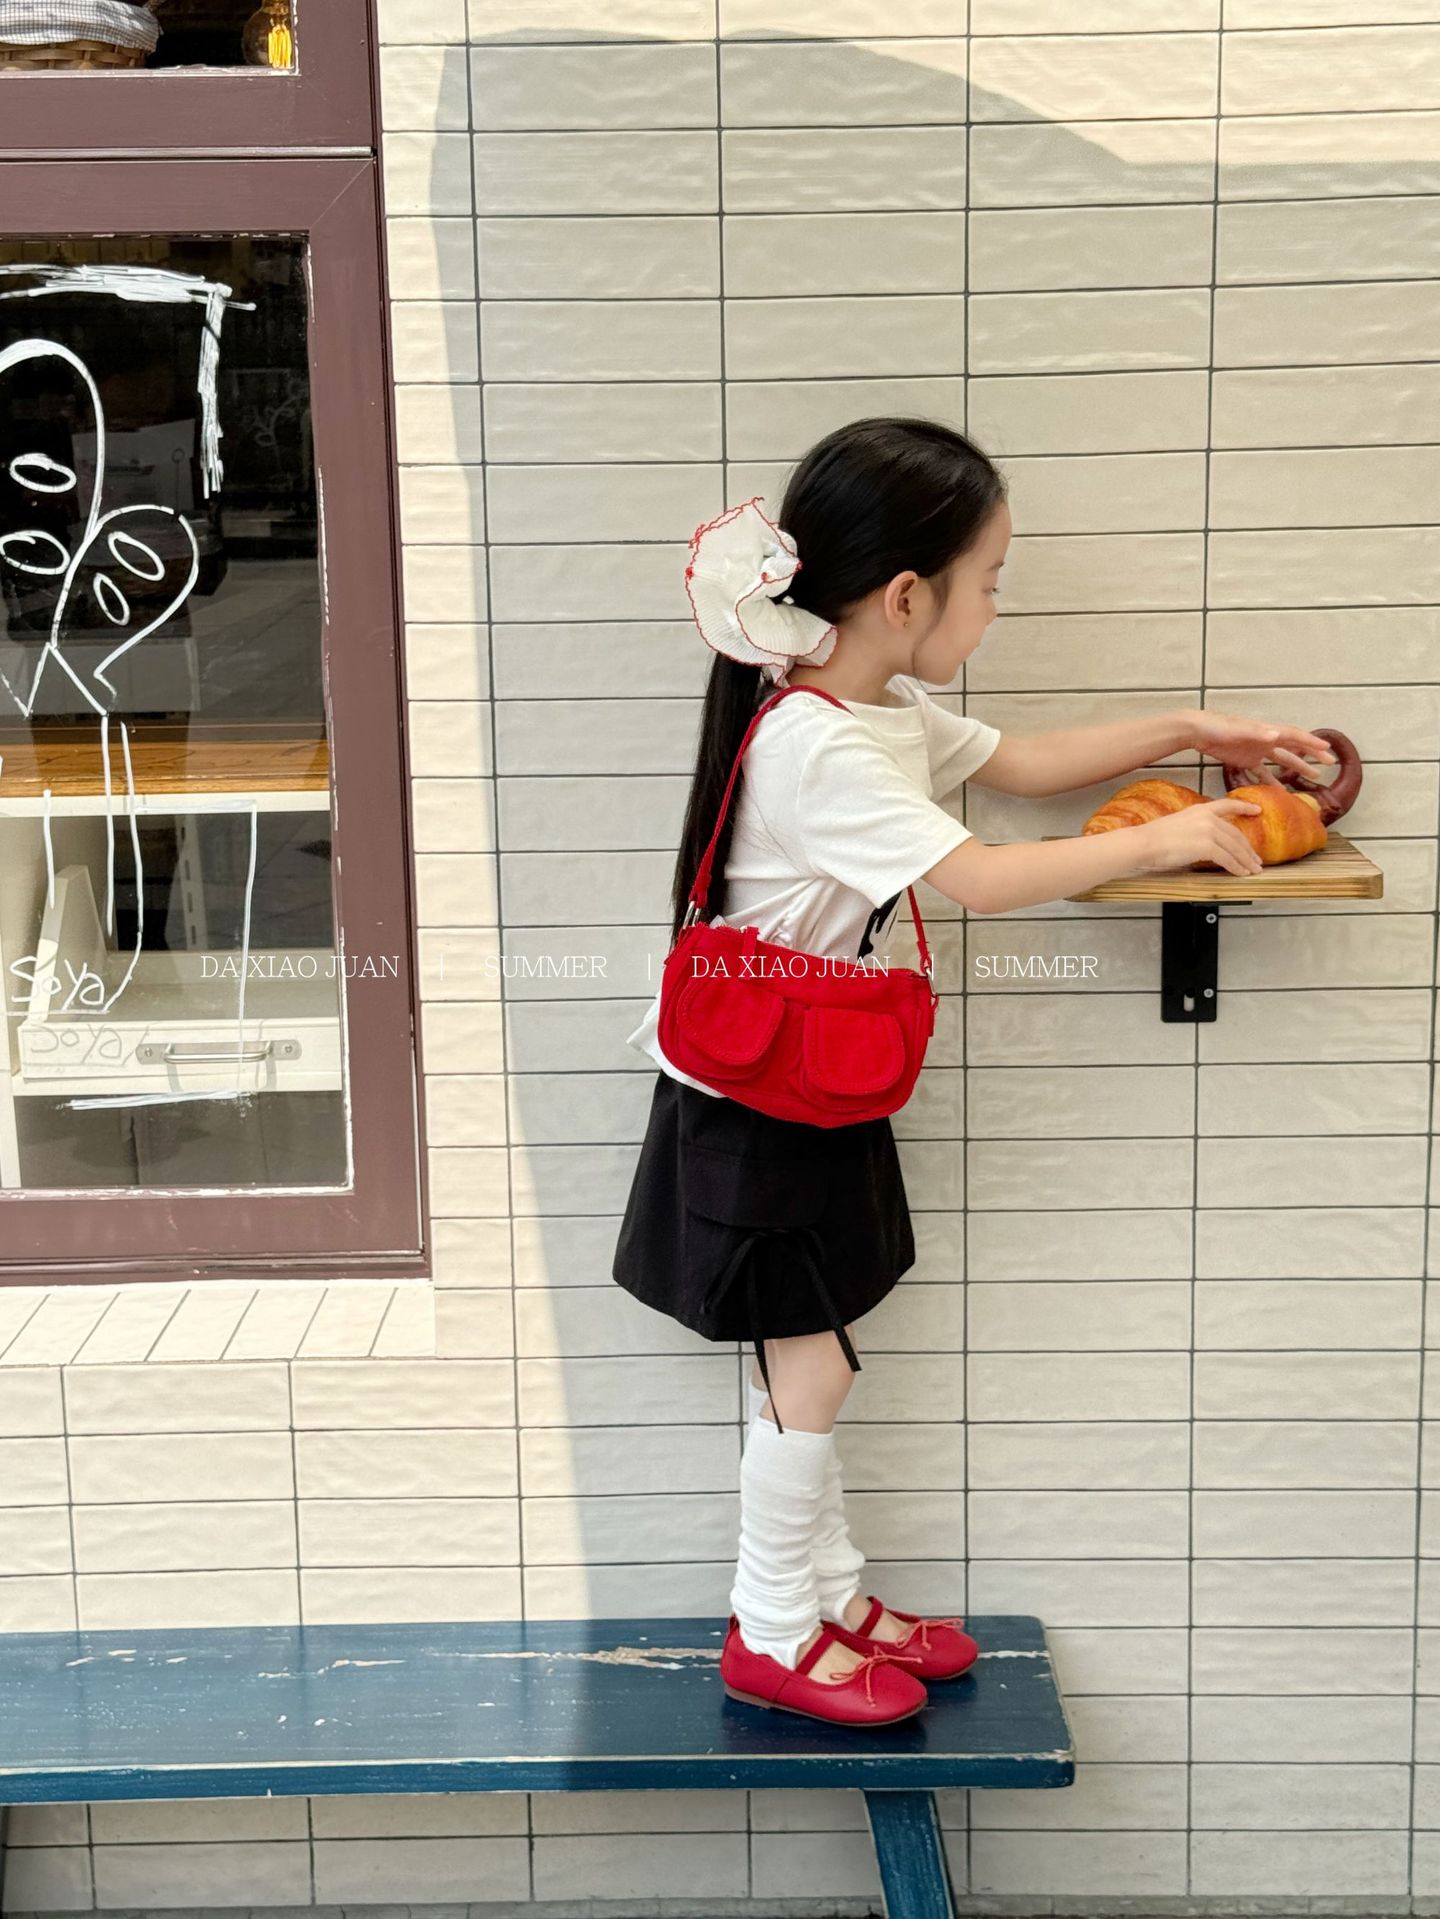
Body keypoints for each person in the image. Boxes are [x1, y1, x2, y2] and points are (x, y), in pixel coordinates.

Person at [611, 415, 1339, 1727]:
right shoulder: (819, 746)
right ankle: (771, 1629)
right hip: (760, 1104)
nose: (997, 608)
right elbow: (984, 879)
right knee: (812, 1373)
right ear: (906, 596)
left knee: (812, 1363)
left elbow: (1026, 764)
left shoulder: (878, 711)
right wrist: (1161, 839)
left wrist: (1192, 728)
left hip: (807, 1080)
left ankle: (827, 1596)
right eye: (989, 582)